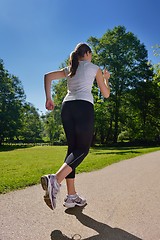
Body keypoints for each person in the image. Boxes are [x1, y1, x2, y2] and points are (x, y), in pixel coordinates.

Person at [41, 43, 110, 210]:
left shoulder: (71, 68)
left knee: (72, 150)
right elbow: (106, 94)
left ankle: (71, 196)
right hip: (83, 107)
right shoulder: (95, 68)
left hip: (67, 107)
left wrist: (48, 98)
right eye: (91, 54)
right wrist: (106, 79)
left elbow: (47, 76)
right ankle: (55, 180)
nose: (91, 57)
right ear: (87, 53)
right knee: (83, 150)